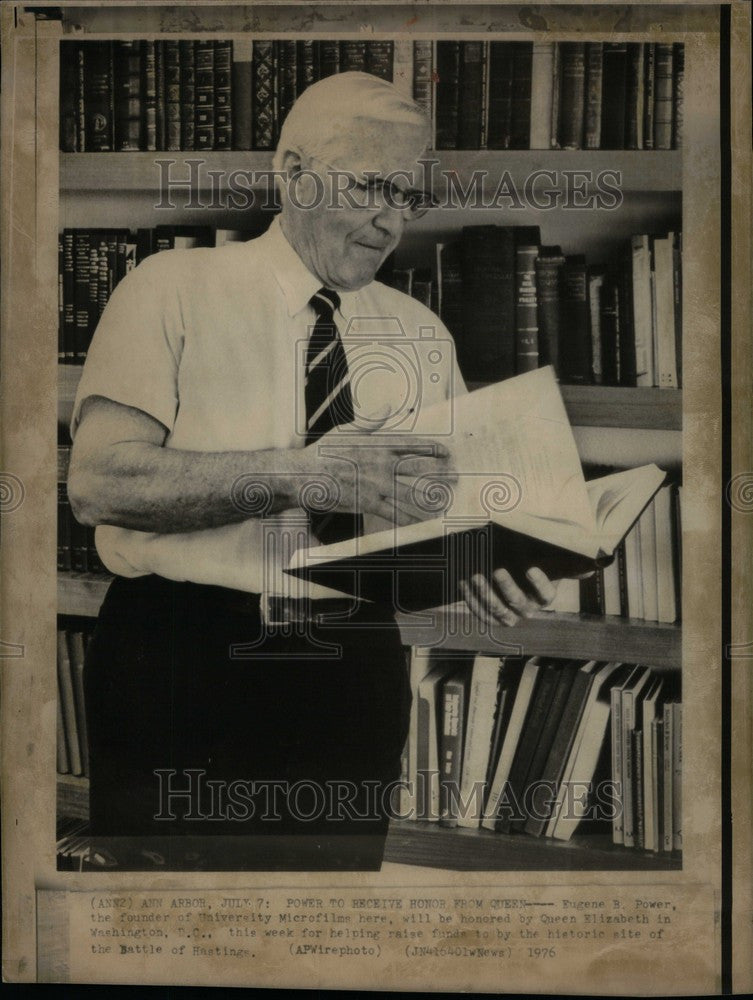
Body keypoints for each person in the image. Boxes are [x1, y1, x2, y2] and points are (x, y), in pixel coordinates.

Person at [68, 72, 557, 868]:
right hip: (181, 652)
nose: (389, 219)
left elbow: (446, 512)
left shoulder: (420, 332)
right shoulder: (169, 288)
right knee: (161, 933)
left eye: (405, 195)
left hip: (353, 660)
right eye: (369, 185)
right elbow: (98, 485)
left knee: (318, 926)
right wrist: (302, 476)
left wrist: (488, 558)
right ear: (291, 173)